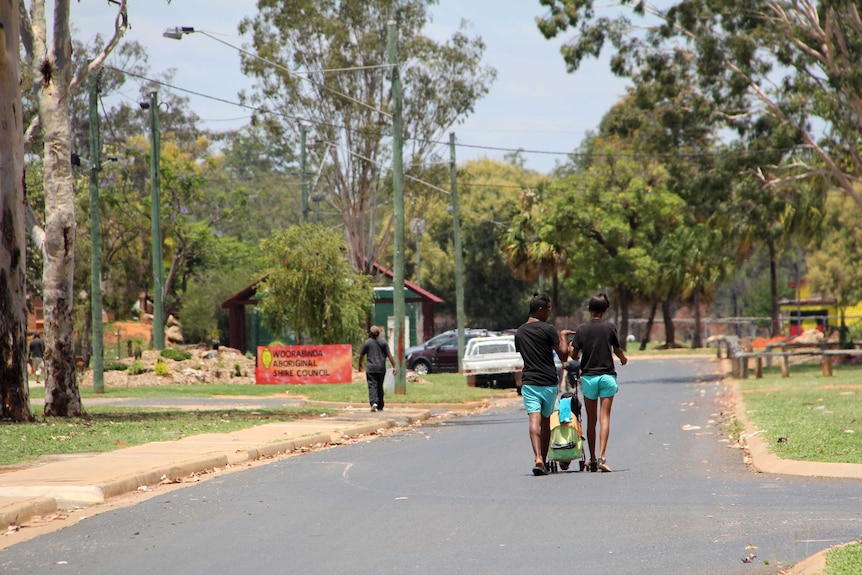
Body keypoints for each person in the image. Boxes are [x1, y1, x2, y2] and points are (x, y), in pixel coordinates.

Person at [514, 293, 573, 476]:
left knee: (534, 419)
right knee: (546, 422)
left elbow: (523, 354)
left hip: (530, 381)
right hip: (548, 381)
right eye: (548, 310)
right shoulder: (548, 329)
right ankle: (545, 461)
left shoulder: (520, 331)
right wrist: (563, 336)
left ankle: (538, 458)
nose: (549, 313)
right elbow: (563, 356)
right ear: (540, 310)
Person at [569, 293, 627, 472]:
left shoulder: (582, 329)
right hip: (607, 377)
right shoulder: (610, 327)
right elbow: (617, 350)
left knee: (591, 420)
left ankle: (592, 458)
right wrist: (623, 359)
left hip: (589, 378)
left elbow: (573, 355)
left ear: (589, 308)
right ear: (605, 309)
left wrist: (572, 343)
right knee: (605, 418)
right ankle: (602, 457)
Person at [358, 325, 397, 412]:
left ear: (370, 334)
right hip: (381, 368)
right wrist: (394, 366)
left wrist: (360, 365)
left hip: (371, 368)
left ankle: (374, 403)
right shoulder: (383, 343)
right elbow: (389, 355)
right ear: (378, 333)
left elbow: (361, 355)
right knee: (380, 386)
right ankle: (380, 405)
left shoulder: (367, 343)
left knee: (372, 385)